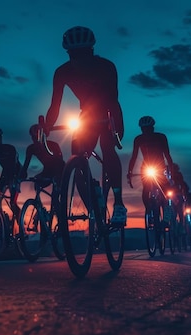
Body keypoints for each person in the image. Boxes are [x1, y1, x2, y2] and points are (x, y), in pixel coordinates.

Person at [43, 26, 127, 225]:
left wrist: (113, 127)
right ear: (69, 53)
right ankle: (95, 210)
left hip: (109, 113)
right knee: (77, 157)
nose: (79, 59)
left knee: (108, 149)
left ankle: (119, 203)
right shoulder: (62, 72)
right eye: (74, 55)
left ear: (91, 51)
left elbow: (113, 101)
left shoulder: (106, 66)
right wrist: (47, 126)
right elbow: (54, 105)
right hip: (87, 117)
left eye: (84, 54)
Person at [127, 115, 175, 211]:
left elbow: (167, 155)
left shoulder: (161, 137)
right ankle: (149, 210)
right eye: (144, 129)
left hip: (160, 167)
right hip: (146, 167)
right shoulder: (138, 139)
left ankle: (167, 210)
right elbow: (134, 156)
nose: (146, 131)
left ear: (152, 128)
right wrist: (130, 172)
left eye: (148, 129)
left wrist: (172, 170)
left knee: (165, 189)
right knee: (146, 189)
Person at [19, 124, 66, 189]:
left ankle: (56, 195)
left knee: (56, 188)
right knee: (37, 184)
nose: (34, 140)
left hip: (59, 169)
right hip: (47, 169)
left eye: (36, 137)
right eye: (33, 137)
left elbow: (60, 162)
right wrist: (20, 177)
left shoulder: (54, 145)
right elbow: (25, 166)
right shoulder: (31, 149)